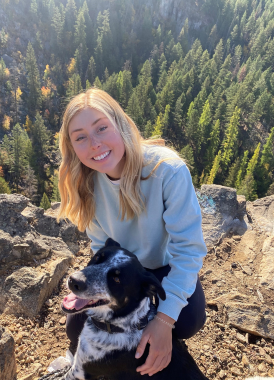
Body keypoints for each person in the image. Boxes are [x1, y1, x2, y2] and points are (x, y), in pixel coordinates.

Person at [55, 88, 207, 377]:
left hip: (165, 266)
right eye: (80, 137)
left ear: (120, 124)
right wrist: (94, 295)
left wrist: (162, 321)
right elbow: (101, 251)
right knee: (75, 327)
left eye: (101, 128)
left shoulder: (167, 170)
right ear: (72, 146)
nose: (95, 144)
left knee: (186, 320)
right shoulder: (86, 184)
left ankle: (158, 344)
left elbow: (188, 250)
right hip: (123, 272)